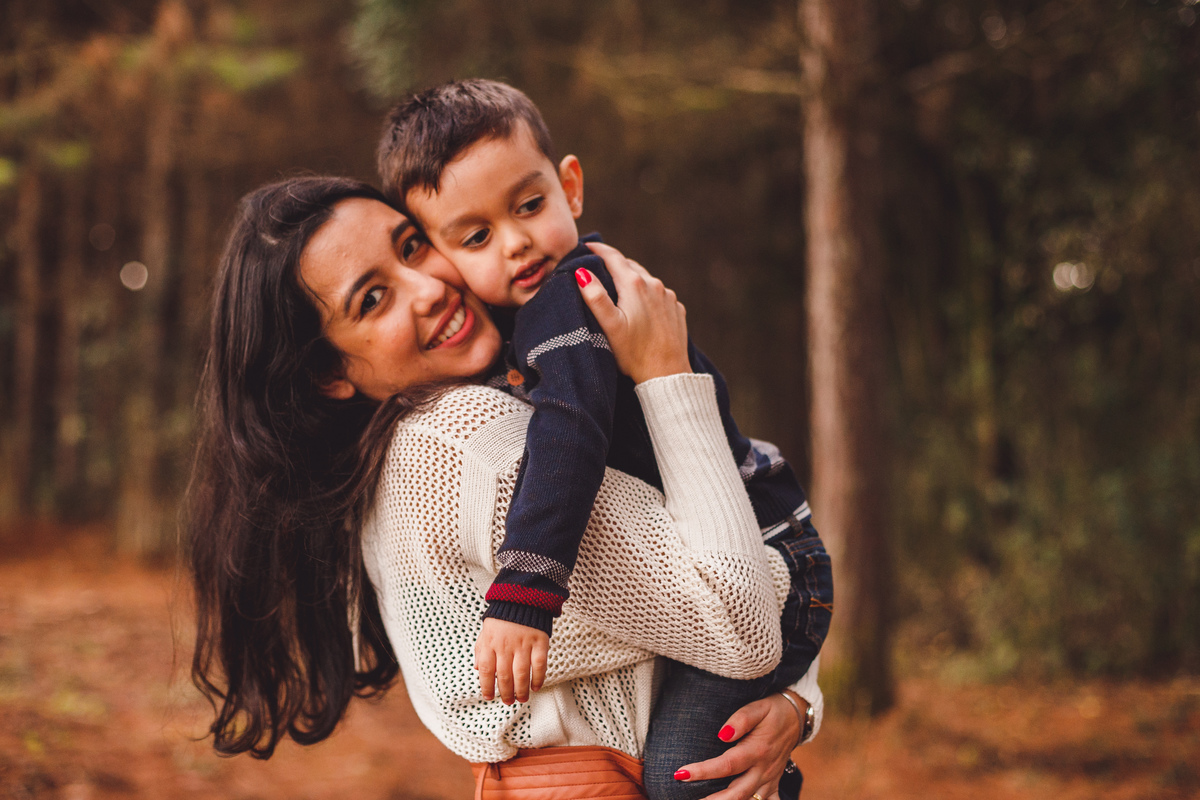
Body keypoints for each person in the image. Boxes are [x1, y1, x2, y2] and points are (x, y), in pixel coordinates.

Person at [189, 177, 823, 800]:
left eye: (412, 247)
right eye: (373, 300)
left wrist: (795, 705)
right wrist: (667, 374)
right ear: (331, 372)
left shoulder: (417, 446)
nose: (430, 288)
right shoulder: (462, 438)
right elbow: (742, 617)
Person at [376, 79, 833, 799]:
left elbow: (572, 434)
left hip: (773, 553)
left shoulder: (570, 295)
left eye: (528, 206)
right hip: (766, 558)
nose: (517, 241)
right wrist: (803, 703)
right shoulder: (519, 339)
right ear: (442, 254)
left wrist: (524, 594)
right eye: (477, 236)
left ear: (571, 187)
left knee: (690, 779)